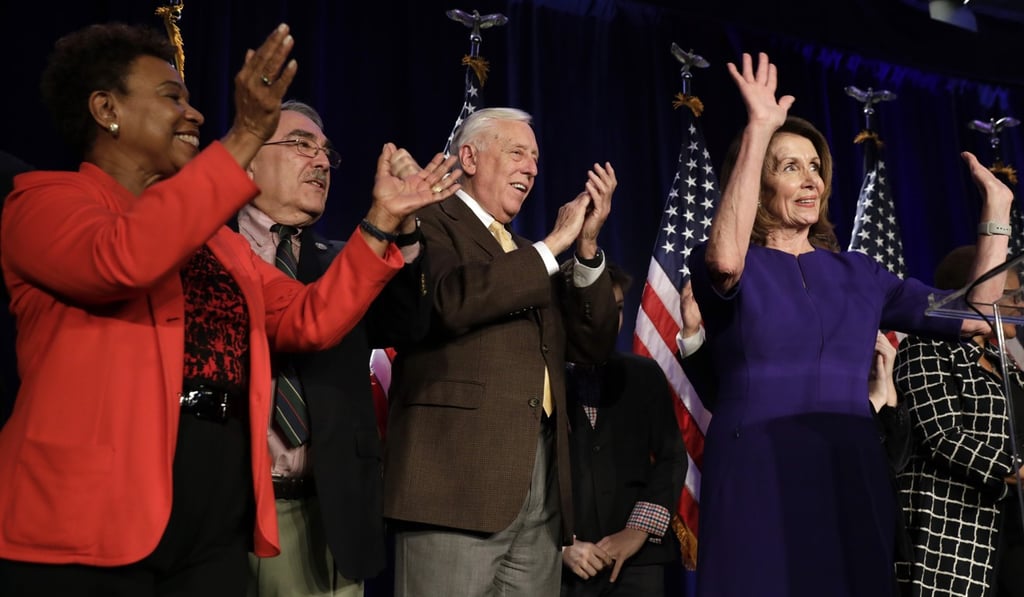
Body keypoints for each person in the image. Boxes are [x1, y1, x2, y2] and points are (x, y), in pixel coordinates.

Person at [0, 22, 459, 597]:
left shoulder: (217, 243)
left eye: (191, 100)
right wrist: (244, 134)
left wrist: (380, 222)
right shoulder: (44, 204)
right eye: (172, 98)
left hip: (214, 512)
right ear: (105, 109)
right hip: (90, 516)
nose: (193, 115)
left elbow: (309, 317)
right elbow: (125, 258)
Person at [687, 52, 1013, 596]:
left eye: (816, 166)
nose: (811, 179)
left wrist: (995, 214)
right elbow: (725, 261)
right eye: (789, 166)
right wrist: (759, 128)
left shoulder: (859, 272)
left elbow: (976, 315)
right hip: (758, 468)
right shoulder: (725, 260)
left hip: (851, 466)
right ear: (756, 179)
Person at [382, 107, 620, 597]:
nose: (532, 169)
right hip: (454, 483)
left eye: (535, 158)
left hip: (541, 492)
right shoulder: (425, 216)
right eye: (517, 153)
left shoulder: (528, 252)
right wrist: (555, 245)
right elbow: (451, 299)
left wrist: (587, 247)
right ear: (468, 156)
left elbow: (591, 345)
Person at [238, 100, 432, 597]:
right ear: (248, 158)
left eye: (326, 153)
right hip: (233, 510)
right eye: (302, 145)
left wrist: (405, 228)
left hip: (331, 513)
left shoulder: (347, 261)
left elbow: (407, 327)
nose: (321, 162)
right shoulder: (208, 247)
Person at [894, 244, 1024, 597]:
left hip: (1011, 531)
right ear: (974, 292)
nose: (1020, 304)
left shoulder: (1003, 361)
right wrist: (1018, 471)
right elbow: (944, 436)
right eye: (1010, 293)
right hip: (956, 533)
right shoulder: (926, 347)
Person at [560, 262, 686, 597]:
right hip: (565, 564)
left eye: (616, 309)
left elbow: (672, 458)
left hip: (639, 562)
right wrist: (560, 547)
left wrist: (637, 530)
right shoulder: (540, 381)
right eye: (599, 309)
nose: (610, 321)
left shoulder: (644, 374)